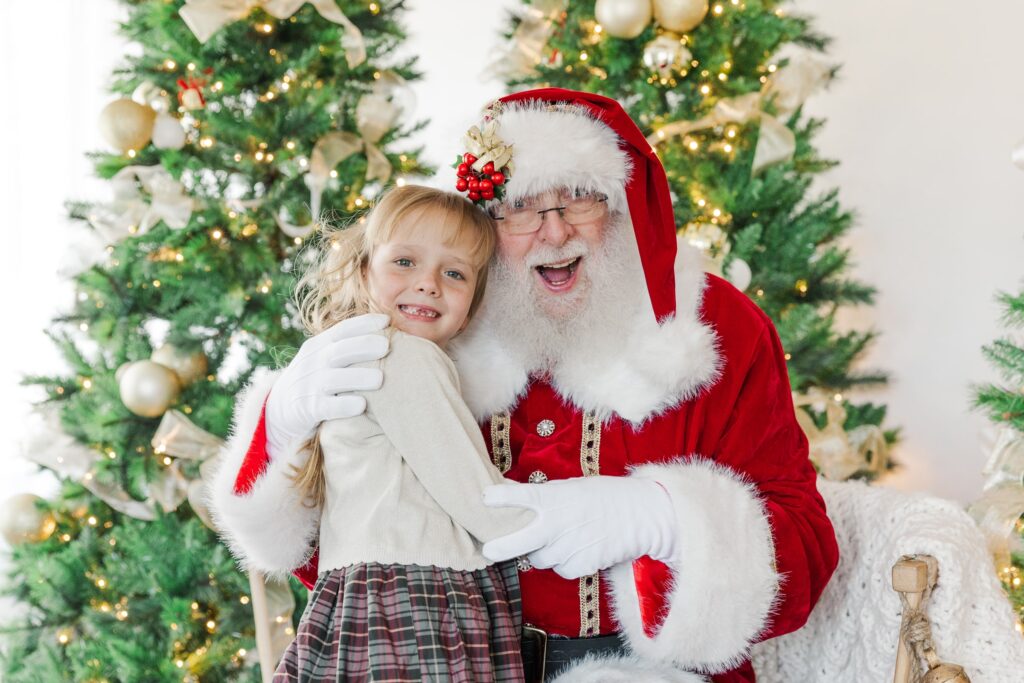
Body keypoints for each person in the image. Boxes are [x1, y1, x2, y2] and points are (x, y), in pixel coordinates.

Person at [211, 89, 840, 683]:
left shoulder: (713, 324)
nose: (556, 230)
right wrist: (284, 424)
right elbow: (338, 560)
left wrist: (668, 519)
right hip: (450, 659)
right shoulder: (429, 325)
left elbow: (807, 550)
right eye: (522, 207)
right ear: (485, 221)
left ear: (620, 208)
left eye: (579, 199)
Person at [209, 185, 536, 682]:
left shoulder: (367, 350)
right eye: (405, 261)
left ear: (474, 299)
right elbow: (475, 496)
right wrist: (554, 526)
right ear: (364, 269)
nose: (428, 284)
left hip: (361, 589)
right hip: (417, 594)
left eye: (454, 272)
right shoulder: (406, 355)